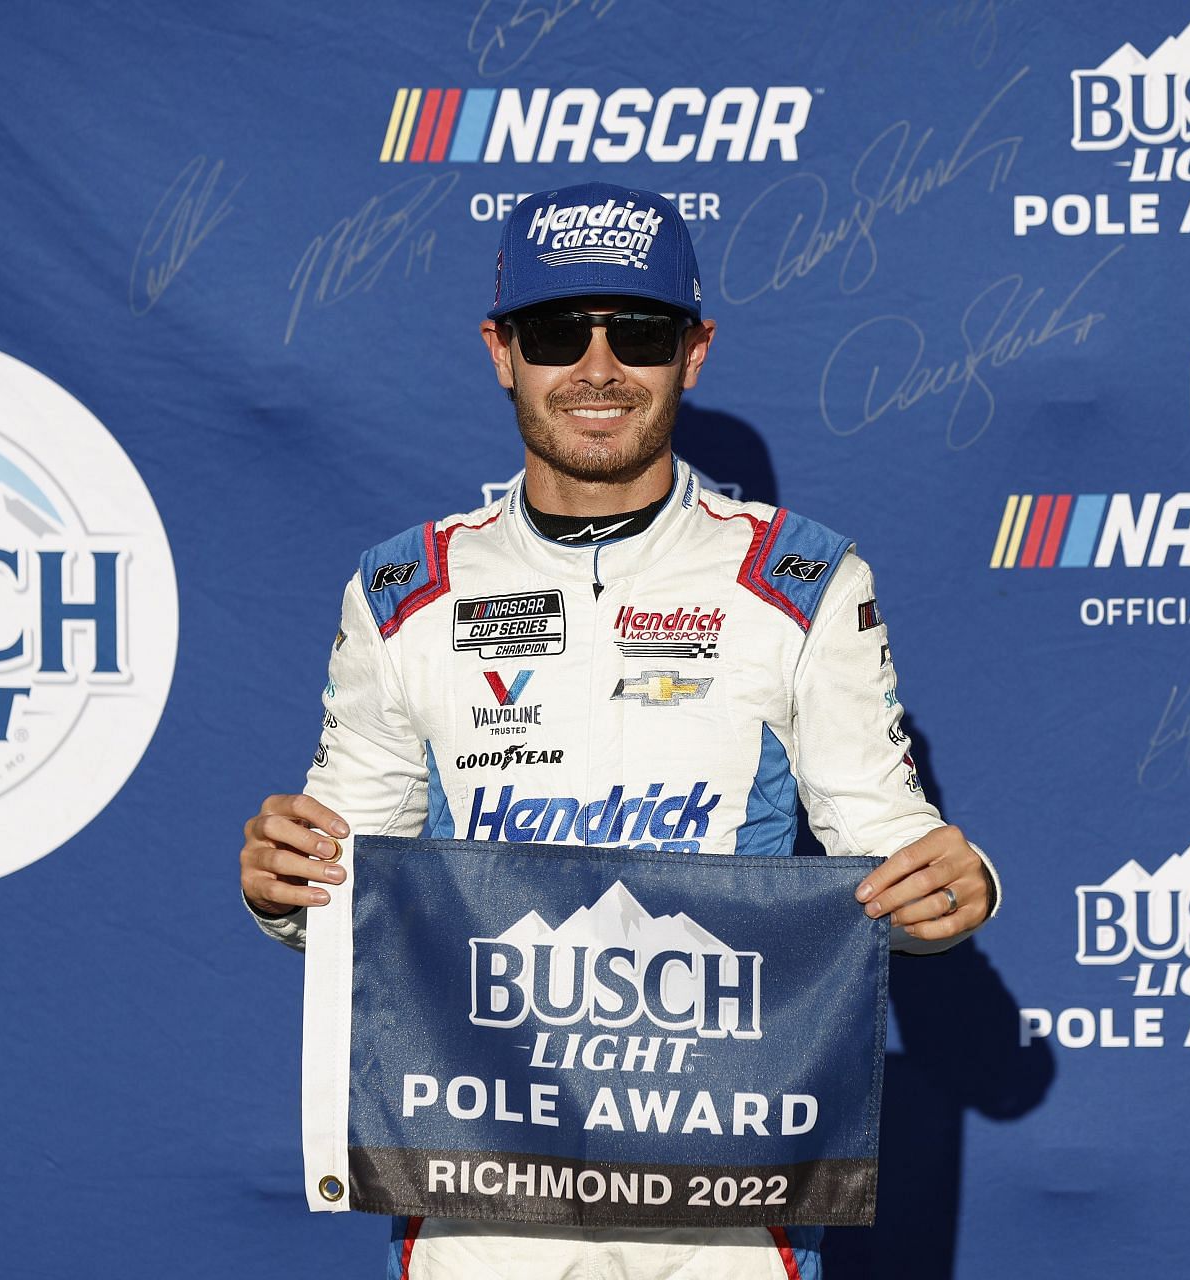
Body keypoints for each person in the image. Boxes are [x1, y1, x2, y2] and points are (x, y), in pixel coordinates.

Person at [239, 182, 1000, 1280]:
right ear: (503, 351)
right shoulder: (407, 588)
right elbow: (346, 894)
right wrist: (280, 887)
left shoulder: (802, 578)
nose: (598, 368)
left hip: (728, 1186)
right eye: (559, 331)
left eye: (638, 332)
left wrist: (954, 888)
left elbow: (887, 858)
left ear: (694, 353)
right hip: (485, 1178)